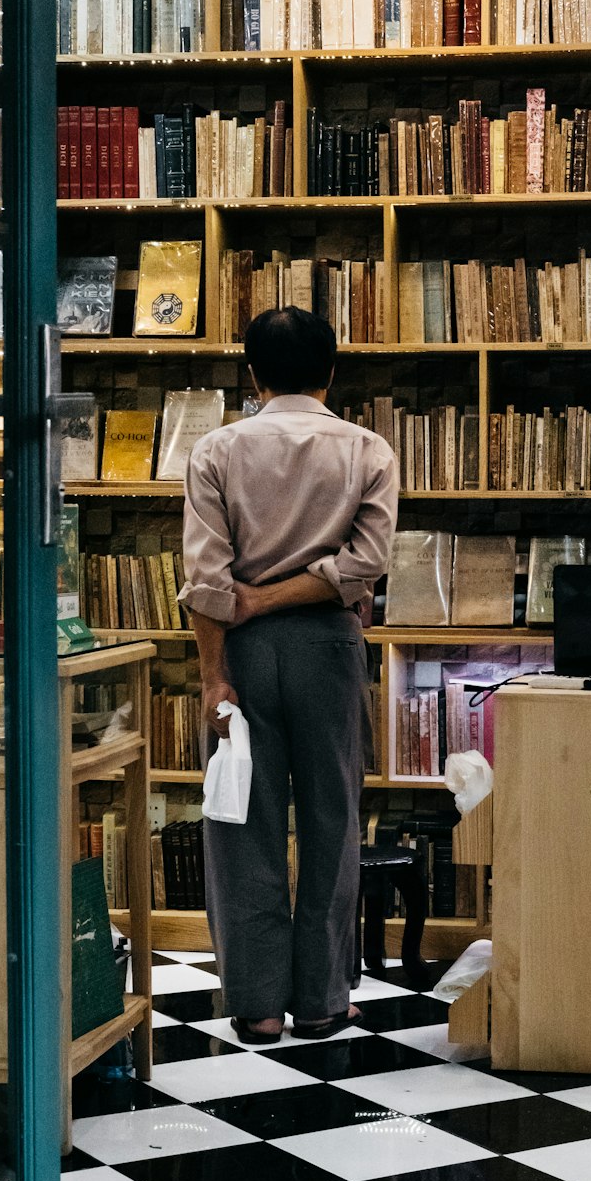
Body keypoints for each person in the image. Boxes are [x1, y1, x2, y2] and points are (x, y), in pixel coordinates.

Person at [178, 306, 399, 1043]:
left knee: (243, 820)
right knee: (333, 821)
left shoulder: (214, 450)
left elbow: (205, 579)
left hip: (238, 650)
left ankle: (258, 1004)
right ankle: (323, 999)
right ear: (333, 372)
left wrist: (215, 678)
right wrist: (288, 595)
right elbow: (364, 567)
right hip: (328, 650)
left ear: (252, 375)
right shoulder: (368, 449)